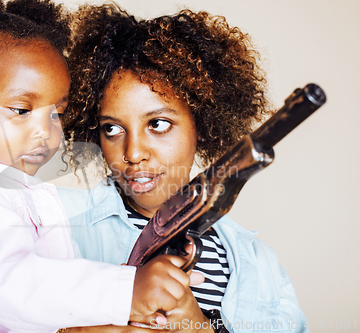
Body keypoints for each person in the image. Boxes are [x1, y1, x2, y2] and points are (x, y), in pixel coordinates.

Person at [0, 0, 196, 332]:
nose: (46, 130)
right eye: (21, 110)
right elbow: (10, 284)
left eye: (56, 112)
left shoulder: (24, 198)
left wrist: (128, 299)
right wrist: (124, 289)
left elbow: (51, 301)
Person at [60, 4, 308, 332]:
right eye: (112, 129)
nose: (133, 153)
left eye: (158, 123)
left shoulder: (256, 262)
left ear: (201, 126)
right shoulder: (54, 224)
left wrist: (198, 327)